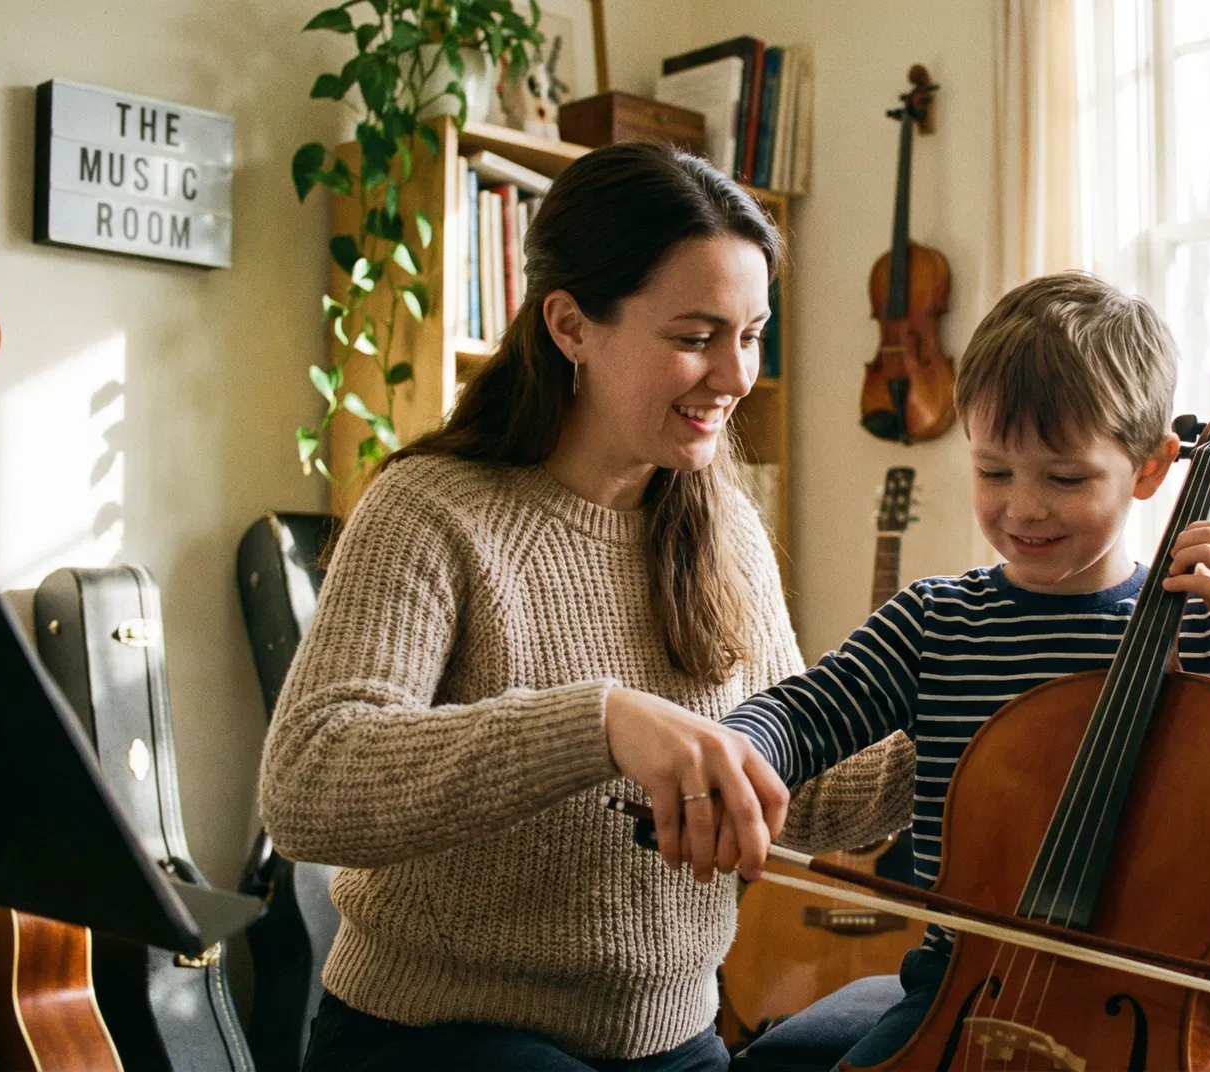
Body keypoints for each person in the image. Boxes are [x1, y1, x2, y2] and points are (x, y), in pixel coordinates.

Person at [259, 141, 904, 1072]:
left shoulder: (723, 522)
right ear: (570, 325)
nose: (735, 377)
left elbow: (792, 793)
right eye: (695, 337)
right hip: (440, 1036)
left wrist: (994, 726)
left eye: (751, 335)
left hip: (673, 1039)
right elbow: (309, 785)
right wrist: (599, 724)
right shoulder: (431, 510)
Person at [719, 272, 1210, 1071]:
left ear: (1150, 469)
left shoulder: (1208, 633)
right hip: (965, 990)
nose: (1024, 507)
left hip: (1174, 1004)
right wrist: (733, 750)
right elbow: (801, 713)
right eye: (994, 472)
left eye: (1065, 478)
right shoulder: (937, 622)